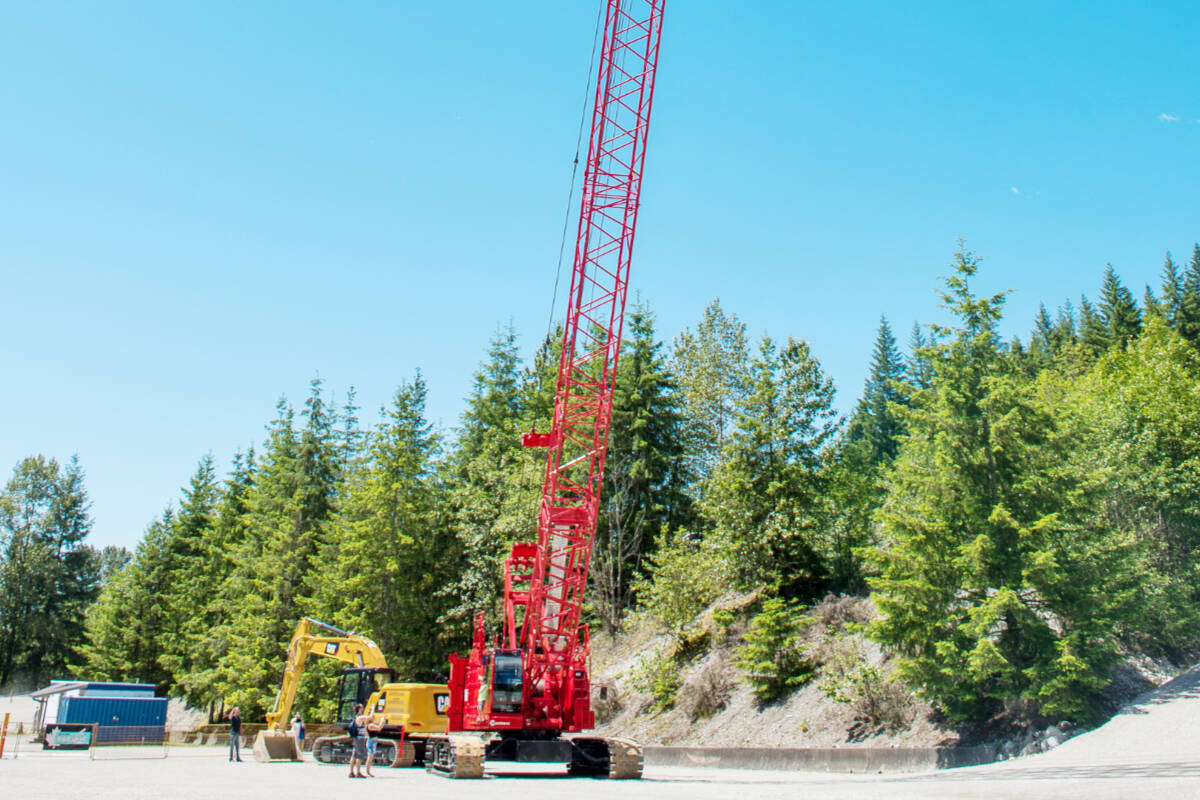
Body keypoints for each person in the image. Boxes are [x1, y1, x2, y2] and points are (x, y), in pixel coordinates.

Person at [347, 703, 368, 778]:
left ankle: (351, 772)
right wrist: (372, 709)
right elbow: (369, 718)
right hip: (359, 738)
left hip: (357, 738)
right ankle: (358, 772)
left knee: (354, 755)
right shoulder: (359, 717)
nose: (363, 709)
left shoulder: (357, 717)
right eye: (362, 708)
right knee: (360, 755)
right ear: (358, 709)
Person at [364, 711, 382, 777]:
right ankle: (367, 772)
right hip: (371, 742)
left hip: (373, 742)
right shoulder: (370, 725)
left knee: (370, 757)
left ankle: (368, 771)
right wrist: (382, 720)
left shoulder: (370, 725)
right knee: (370, 757)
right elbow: (379, 727)